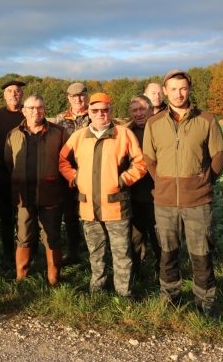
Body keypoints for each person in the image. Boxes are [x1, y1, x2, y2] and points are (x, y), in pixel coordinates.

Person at [143, 70, 223, 317]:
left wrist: (203, 182)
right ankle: (170, 298)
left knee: (201, 254)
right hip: (165, 200)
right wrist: (163, 182)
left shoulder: (207, 120)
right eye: (173, 89)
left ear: (189, 90)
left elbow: (218, 157)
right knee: (167, 254)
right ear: (165, 92)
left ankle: (205, 302)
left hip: (198, 201)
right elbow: (150, 159)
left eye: (183, 88)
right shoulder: (154, 123)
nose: (178, 93)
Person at [59, 93, 147, 297]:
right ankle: (97, 288)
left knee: (121, 252)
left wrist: (122, 181)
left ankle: (124, 292)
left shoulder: (124, 134)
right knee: (96, 251)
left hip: (116, 205)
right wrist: (75, 178)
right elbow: (63, 161)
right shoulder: (78, 136)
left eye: (104, 110)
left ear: (111, 111)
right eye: (95, 110)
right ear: (88, 112)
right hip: (88, 206)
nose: (100, 114)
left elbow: (140, 163)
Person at [5, 95, 68, 285]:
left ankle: (54, 279)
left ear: (45, 110)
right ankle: (22, 278)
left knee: (52, 236)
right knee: (24, 236)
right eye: (31, 108)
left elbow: (68, 161)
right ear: (23, 110)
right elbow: (9, 162)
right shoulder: (13, 134)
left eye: (40, 107)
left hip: (50, 193)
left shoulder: (59, 132)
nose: (36, 112)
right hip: (24, 195)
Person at [0, 80, 26, 263]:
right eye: (10, 91)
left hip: (26, 174)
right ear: (4, 95)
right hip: (3, 175)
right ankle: (9, 252)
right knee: (6, 215)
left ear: (22, 94)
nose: (14, 94)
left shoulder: (29, 114)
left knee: (27, 215)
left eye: (17, 91)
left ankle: (27, 250)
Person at [55, 82, 91, 266]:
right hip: (68, 173)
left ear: (86, 95)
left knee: (93, 214)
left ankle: (96, 252)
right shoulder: (60, 118)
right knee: (70, 215)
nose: (78, 99)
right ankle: (74, 252)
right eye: (74, 96)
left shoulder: (95, 114)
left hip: (92, 172)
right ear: (68, 98)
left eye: (81, 95)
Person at [126, 95, 161, 278]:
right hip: (134, 196)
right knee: (135, 238)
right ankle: (136, 273)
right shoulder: (126, 133)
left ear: (150, 109)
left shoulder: (160, 129)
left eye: (142, 109)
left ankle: (163, 273)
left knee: (159, 238)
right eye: (134, 110)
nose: (138, 114)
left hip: (158, 195)